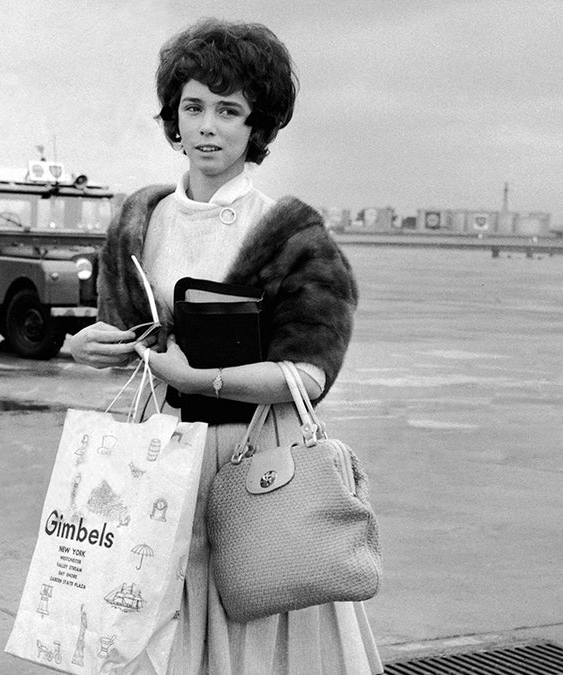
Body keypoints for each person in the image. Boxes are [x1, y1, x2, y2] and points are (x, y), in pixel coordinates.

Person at [68, 18, 382, 675]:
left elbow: (309, 376)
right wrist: (94, 345)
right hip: (158, 462)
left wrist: (206, 378)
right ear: (173, 118)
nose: (208, 126)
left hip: (247, 463)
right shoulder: (139, 219)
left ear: (257, 126)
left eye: (229, 110)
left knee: (251, 624)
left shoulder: (288, 231)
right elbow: (137, 339)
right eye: (194, 107)